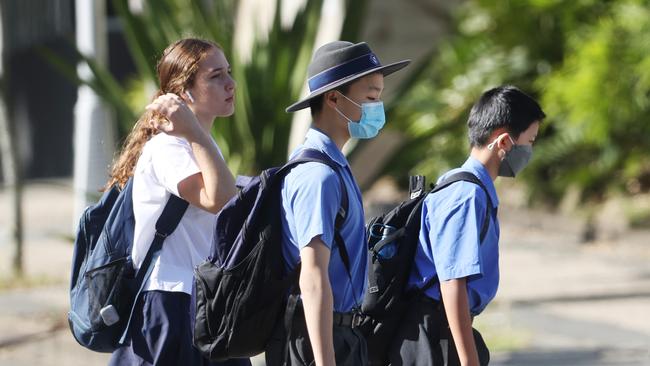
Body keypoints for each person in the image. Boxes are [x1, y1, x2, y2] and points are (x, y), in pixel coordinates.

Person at [264, 41, 410, 366]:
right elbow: (313, 276)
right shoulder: (318, 176)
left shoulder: (334, 167)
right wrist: (325, 360)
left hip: (341, 334)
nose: (378, 106)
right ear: (333, 98)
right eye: (371, 97)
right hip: (318, 340)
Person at [106, 38, 250, 366]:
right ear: (184, 92)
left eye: (228, 72)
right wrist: (194, 133)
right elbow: (220, 199)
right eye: (215, 76)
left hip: (205, 300)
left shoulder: (201, 144)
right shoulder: (168, 148)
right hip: (170, 301)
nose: (231, 84)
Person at [389, 85, 546, 366]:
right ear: (504, 142)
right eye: (529, 141)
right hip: (433, 330)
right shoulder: (467, 195)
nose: (530, 150)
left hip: (439, 325)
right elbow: (452, 284)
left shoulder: (463, 185)